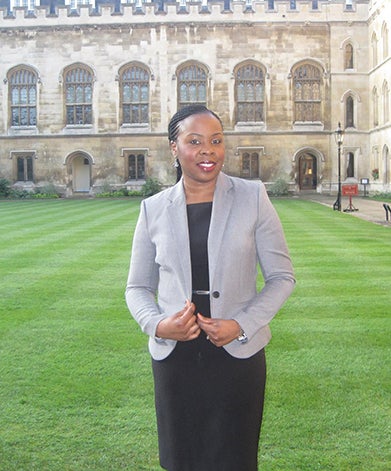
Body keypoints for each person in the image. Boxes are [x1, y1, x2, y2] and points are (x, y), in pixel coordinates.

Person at [125, 105, 295, 471]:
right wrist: (157, 324)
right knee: (181, 459)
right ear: (174, 147)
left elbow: (282, 277)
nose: (208, 150)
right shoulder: (153, 209)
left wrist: (242, 324)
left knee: (235, 458)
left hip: (238, 352)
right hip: (175, 356)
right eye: (195, 141)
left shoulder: (253, 197)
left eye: (216, 141)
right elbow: (137, 287)